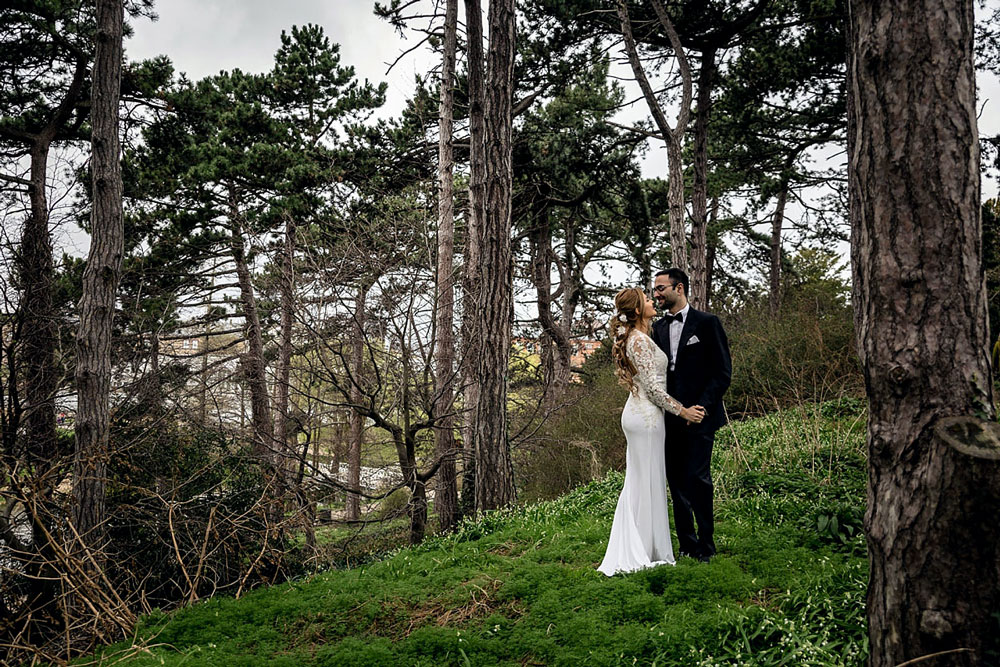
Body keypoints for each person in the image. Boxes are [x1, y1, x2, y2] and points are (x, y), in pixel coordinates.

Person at [598, 287, 706, 576]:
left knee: (643, 480)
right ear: (636, 311)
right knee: (645, 482)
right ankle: (642, 550)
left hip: (641, 414)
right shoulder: (639, 342)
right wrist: (684, 411)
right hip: (645, 417)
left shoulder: (639, 337)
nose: (652, 301)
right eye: (646, 299)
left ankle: (646, 545)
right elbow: (655, 390)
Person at [651, 268, 732, 562]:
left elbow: (722, 373)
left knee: (699, 479)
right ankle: (686, 544)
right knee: (675, 481)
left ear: (679, 288)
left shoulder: (707, 323)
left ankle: (706, 546)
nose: (656, 294)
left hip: (701, 416)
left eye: (661, 288)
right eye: (655, 290)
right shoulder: (657, 328)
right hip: (668, 418)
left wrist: (701, 407)